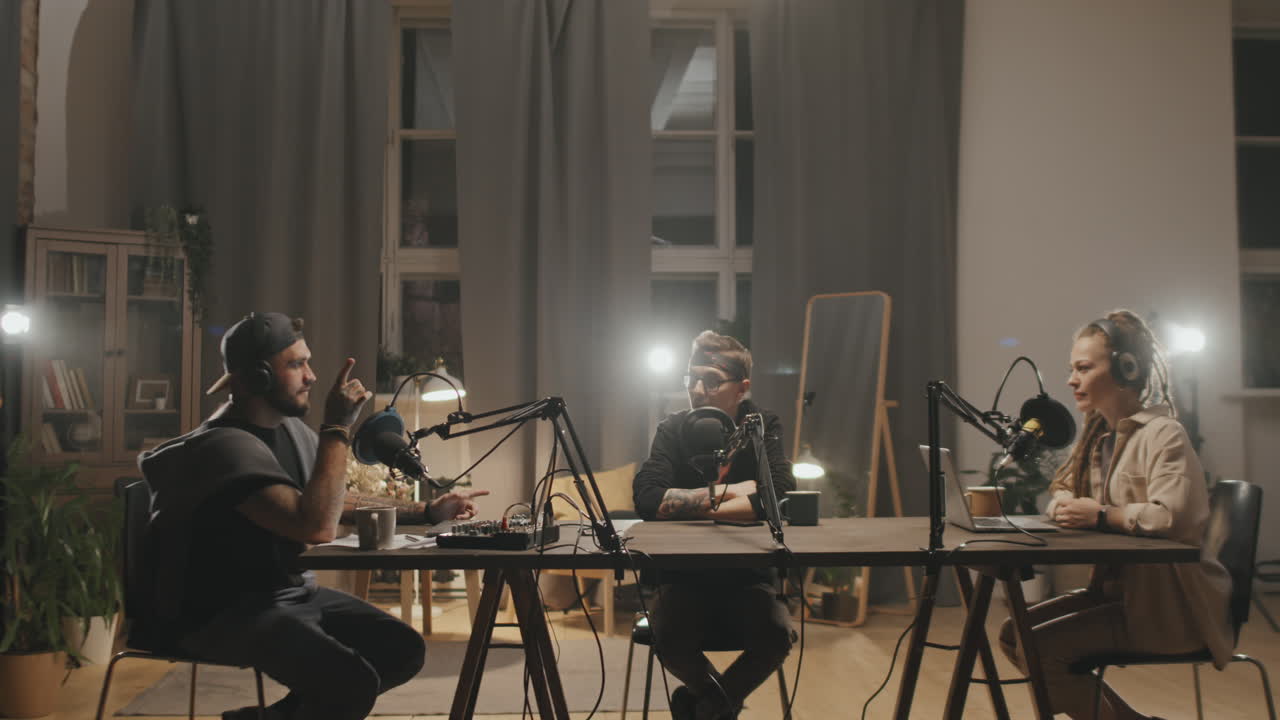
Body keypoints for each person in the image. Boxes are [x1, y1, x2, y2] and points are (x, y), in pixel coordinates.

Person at [139, 312, 488, 720]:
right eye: (296, 364)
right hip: (222, 613)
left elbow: (335, 499)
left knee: (401, 650)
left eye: (307, 361)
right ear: (259, 376)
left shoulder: (288, 431)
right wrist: (337, 427)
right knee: (350, 683)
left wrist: (427, 510)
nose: (312, 376)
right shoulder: (223, 448)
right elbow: (316, 524)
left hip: (288, 596)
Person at [997, 310, 1233, 720]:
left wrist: (1101, 515)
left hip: (1167, 611)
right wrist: (1067, 505)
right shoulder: (1099, 436)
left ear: (1126, 368)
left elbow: (1171, 518)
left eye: (1084, 368)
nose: (1072, 380)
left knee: (1040, 649)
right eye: (1072, 369)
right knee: (1012, 634)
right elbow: (1068, 490)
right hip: (1119, 598)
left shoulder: (1164, 435)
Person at [632, 330, 795, 720]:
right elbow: (648, 498)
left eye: (711, 380)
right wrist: (738, 493)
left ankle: (700, 709)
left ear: (742, 388)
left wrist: (691, 502)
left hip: (747, 576)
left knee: (776, 638)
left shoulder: (762, 426)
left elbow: (780, 496)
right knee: (669, 640)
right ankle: (718, 709)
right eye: (692, 379)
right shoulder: (673, 429)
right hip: (681, 577)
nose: (698, 390)